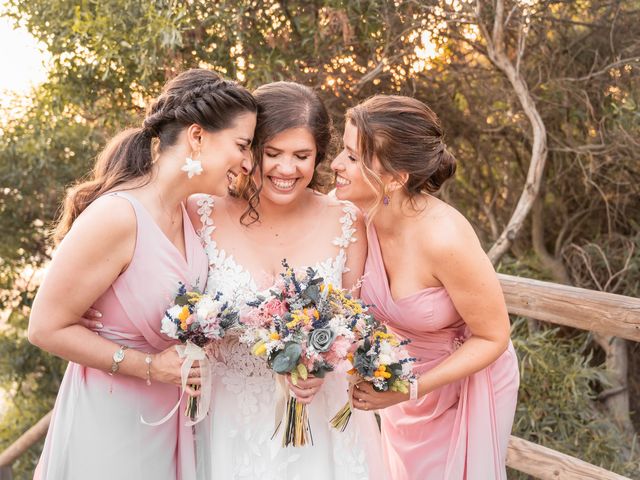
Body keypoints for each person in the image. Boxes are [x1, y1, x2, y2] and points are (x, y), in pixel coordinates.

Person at [28, 69, 257, 480]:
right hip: (111, 418)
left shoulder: (190, 211)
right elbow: (44, 328)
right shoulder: (118, 216)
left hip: (168, 420)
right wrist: (150, 367)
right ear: (197, 137)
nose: (248, 162)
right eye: (242, 145)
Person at [188, 82, 385, 480]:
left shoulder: (346, 220)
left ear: (319, 157)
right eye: (272, 153)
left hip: (317, 422)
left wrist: (322, 365)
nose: (286, 169)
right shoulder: (200, 212)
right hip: (228, 420)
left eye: (302, 155)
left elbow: (355, 321)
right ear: (249, 151)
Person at [330, 95, 519, 480]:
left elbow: (493, 336)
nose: (335, 165)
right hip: (402, 381)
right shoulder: (348, 212)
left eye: (353, 158)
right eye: (342, 151)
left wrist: (412, 388)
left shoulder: (444, 238)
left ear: (396, 178)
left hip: (465, 381)